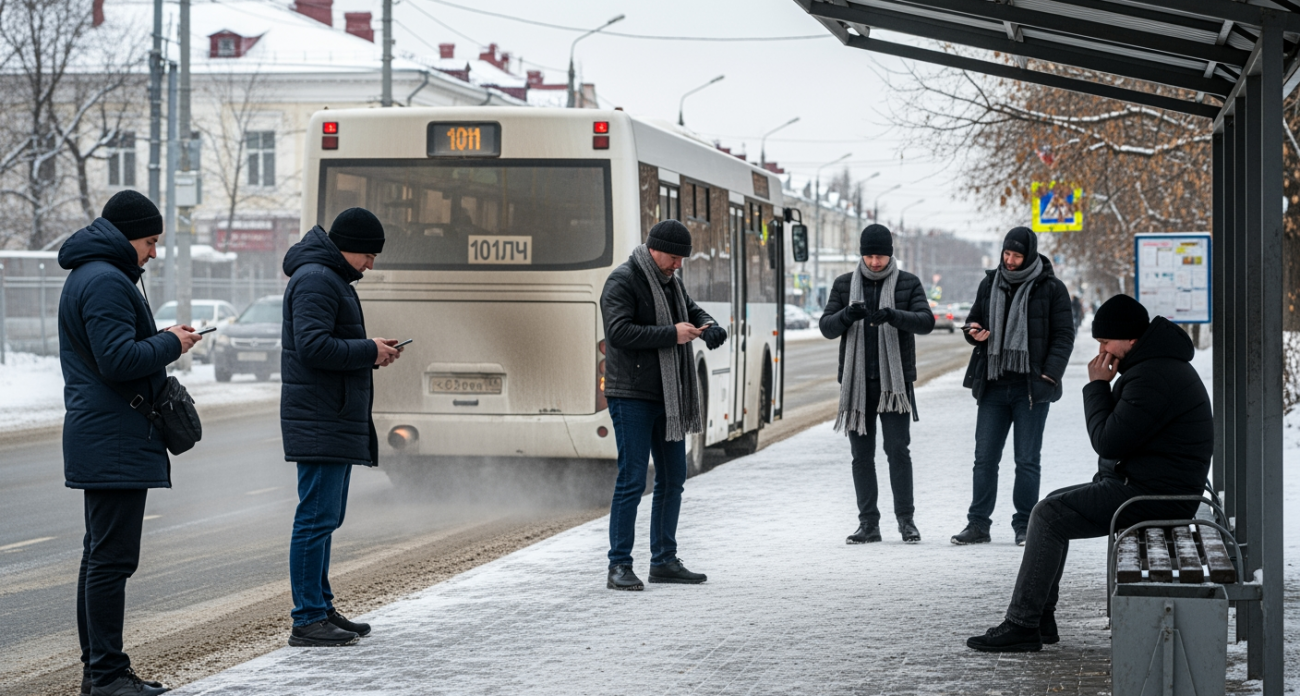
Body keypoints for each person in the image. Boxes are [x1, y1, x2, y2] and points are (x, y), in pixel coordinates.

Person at [967, 295, 1212, 652]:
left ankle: (1023, 623)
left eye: (1105, 341)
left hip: (1154, 497)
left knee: (1048, 516)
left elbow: (1107, 442)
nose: (1101, 351)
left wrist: (1097, 385)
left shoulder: (1153, 375)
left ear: (1130, 339)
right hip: (1151, 487)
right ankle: (1040, 618)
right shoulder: (1154, 366)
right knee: (1053, 503)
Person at [59, 190, 202, 696]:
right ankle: (107, 675)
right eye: (150, 242)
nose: (154, 253)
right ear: (126, 238)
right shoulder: (105, 280)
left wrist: (160, 337)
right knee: (111, 561)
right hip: (114, 436)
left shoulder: (97, 274)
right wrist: (172, 343)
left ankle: (99, 671)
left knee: (100, 557)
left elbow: (113, 350)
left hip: (107, 433)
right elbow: (118, 360)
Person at [281, 208, 402, 646]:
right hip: (321, 417)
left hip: (330, 415)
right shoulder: (317, 279)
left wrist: (371, 351)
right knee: (315, 519)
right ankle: (307, 618)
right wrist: (368, 350)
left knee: (325, 518)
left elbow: (328, 343)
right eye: (368, 255)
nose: (370, 264)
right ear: (348, 247)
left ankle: (321, 607)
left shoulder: (329, 277)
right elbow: (313, 347)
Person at [600, 220, 727, 590]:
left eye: (682, 259)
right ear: (654, 249)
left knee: (673, 477)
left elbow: (691, 310)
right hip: (631, 395)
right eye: (674, 257)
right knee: (632, 480)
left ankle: (664, 560)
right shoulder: (622, 280)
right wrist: (672, 333)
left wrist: (709, 326)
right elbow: (618, 333)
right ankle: (619, 565)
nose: (678, 264)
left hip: (668, 397)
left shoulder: (671, 282)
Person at [953, 227, 1074, 547]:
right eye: (1006, 253)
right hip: (993, 384)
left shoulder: (1051, 288)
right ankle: (978, 524)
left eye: (1016, 255)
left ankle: (1025, 526)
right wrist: (973, 332)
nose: (1009, 260)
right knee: (984, 459)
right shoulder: (990, 283)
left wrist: (1049, 376)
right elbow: (974, 321)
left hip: (1031, 388)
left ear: (1029, 255)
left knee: (1027, 460)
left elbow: (1064, 336)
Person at [819, 224, 935, 544]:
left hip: (894, 386)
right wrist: (847, 315)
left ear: (890, 255)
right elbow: (827, 327)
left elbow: (926, 322)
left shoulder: (908, 283)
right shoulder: (845, 285)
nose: (874, 262)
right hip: (857, 385)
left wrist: (895, 316)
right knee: (861, 456)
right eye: (869, 256)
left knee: (897, 451)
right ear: (862, 255)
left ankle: (906, 521)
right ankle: (868, 523)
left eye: (880, 256)